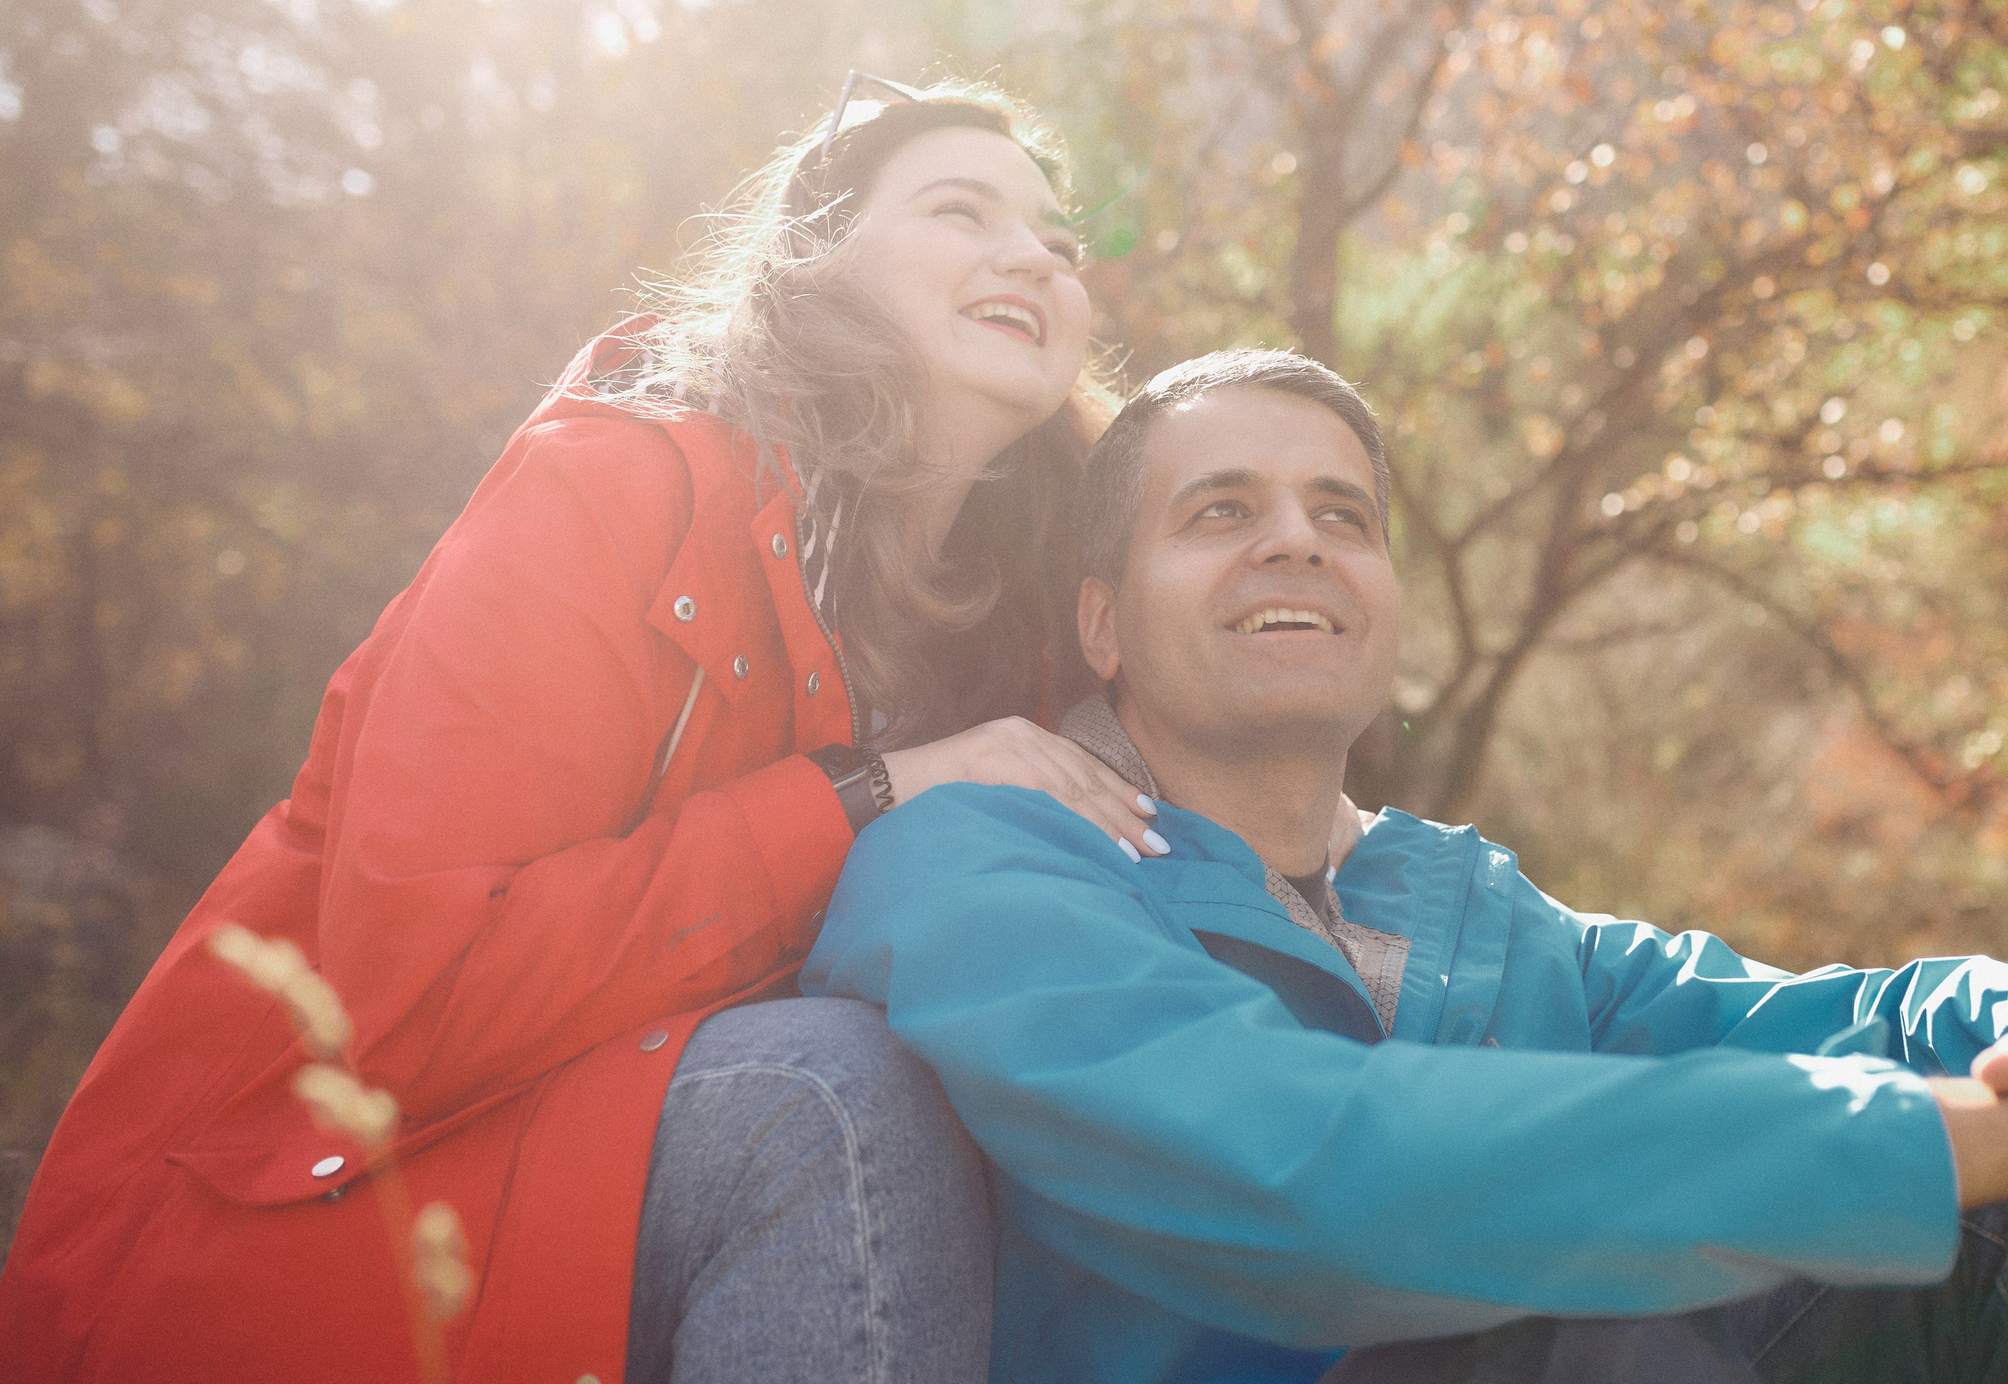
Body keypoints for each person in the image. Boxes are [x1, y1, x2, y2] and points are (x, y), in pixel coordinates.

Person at [800, 348, 2008, 1384]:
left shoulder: (1472, 909)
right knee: (1595, 1333)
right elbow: (1317, 1178)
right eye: (1222, 511)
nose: (1296, 541)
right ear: (1100, 620)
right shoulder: (988, 856)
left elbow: (1859, 1019)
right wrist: (1993, 1142)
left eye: (1343, 513)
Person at [0, 80, 1169, 1384]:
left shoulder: (1040, 616)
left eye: (1060, 244)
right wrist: (867, 793)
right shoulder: (612, 488)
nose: (1035, 258)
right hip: (290, 1197)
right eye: (963, 211)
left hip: (635, 1176)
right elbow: (420, 992)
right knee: (834, 1093)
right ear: (816, 258)